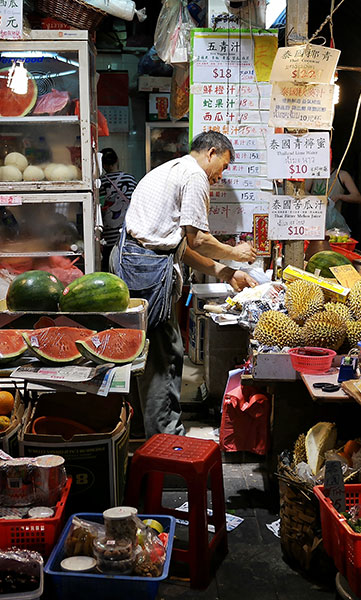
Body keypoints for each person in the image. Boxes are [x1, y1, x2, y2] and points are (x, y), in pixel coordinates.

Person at [112, 131, 257, 438]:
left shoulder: (171, 170)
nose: (221, 175)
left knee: (141, 351)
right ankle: (165, 438)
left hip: (132, 261)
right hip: (147, 271)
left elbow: (181, 249)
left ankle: (138, 429)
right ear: (211, 152)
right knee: (164, 353)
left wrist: (227, 273)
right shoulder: (194, 176)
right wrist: (236, 253)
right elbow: (198, 240)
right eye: (223, 166)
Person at [97, 148, 137, 272]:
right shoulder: (129, 179)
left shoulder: (100, 182)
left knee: (109, 269)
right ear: (117, 160)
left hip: (108, 235)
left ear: (102, 165)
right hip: (128, 233)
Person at [307, 158, 361, 231]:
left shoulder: (342, 175)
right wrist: (316, 200)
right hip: (314, 220)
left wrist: (339, 196)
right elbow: (304, 191)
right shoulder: (313, 174)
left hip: (334, 223)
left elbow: (358, 198)